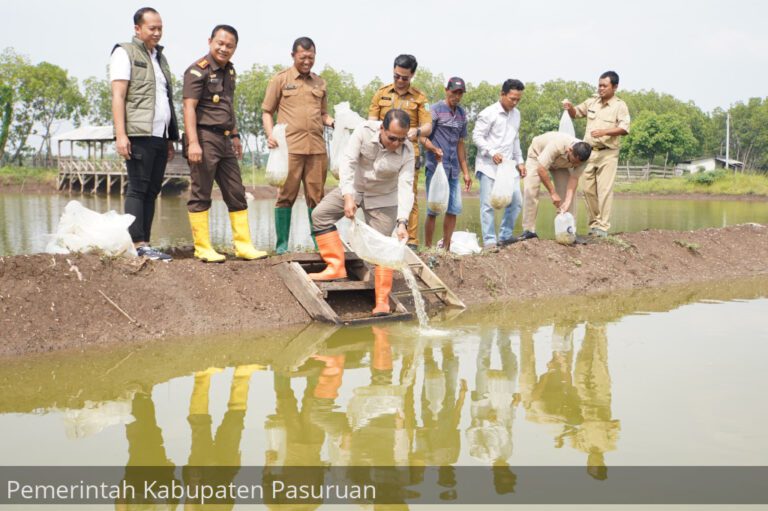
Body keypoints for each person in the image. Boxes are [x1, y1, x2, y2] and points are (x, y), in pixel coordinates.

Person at [309, 109, 414, 317]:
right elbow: (347, 164)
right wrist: (348, 196)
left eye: (401, 140)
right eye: (392, 138)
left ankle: (382, 301)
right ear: (382, 128)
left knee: (382, 245)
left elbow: (406, 186)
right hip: (354, 188)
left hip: (384, 198)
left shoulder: (408, 152)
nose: (396, 144)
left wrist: (402, 222)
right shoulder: (363, 131)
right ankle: (335, 266)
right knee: (320, 215)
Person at [182, 25, 267, 262]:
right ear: (210, 41)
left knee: (236, 191)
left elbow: (228, 104)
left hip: (225, 138)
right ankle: (202, 247)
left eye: (229, 45)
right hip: (204, 137)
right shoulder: (197, 71)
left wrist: (236, 135)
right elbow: (189, 108)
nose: (224, 48)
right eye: (220, 43)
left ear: (235, 48)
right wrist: (193, 143)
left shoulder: (230, 72)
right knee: (201, 192)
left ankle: (244, 246)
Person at [110, 7, 179, 261]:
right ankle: (137, 244)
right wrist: (121, 134)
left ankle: (145, 244)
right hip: (138, 133)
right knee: (137, 188)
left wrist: (170, 137)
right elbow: (118, 95)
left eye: (160, 27)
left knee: (152, 191)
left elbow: (165, 99)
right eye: (152, 28)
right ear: (137, 29)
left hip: (159, 135)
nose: (157, 32)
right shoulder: (124, 52)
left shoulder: (160, 58)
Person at [262, 37, 334, 254]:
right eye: (303, 57)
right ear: (293, 55)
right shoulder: (281, 79)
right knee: (285, 195)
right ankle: (282, 245)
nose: (307, 61)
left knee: (317, 197)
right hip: (289, 149)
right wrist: (269, 134)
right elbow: (267, 111)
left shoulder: (320, 82)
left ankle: (318, 244)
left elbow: (322, 114)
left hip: (316, 150)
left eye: (311, 57)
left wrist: (334, 122)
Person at [368, 54, 432, 250]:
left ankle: (410, 241)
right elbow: (370, 122)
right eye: (397, 76)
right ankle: (380, 237)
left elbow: (428, 126)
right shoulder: (381, 94)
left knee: (409, 196)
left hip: (408, 153)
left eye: (405, 78)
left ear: (412, 75)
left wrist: (417, 131)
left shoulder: (419, 98)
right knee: (376, 194)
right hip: (382, 153)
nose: (400, 81)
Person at [562, 71, 630, 237]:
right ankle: (594, 224)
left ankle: (603, 227)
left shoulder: (620, 106)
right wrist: (569, 107)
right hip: (589, 153)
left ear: (614, 87)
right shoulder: (592, 102)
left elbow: (625, 128)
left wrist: (605, 132)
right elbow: (576, 113)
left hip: (608, 153)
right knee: (588, 190)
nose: (601, 88)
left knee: (604, 190)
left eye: (604, 86)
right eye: (599, 85)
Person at [472, 79, 526, 250]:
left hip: (508, 166)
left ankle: (505, 235)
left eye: (518, 99)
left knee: (516, 200)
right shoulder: (488, 113)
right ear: (502, 94)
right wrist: (491, 152)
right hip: (488, 165)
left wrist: (520, 161)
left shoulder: (516, 114)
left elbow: (515, 139)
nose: (515, 102)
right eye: (512, 98)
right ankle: (489, 241)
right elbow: (477, 136)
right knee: (488, 204)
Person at [420, 77, 472, 252]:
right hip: (436, 169)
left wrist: (465, 172)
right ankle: (427, 248)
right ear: (446, 90)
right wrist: (434, 149)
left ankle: (446, 248)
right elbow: (422, 137)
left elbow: (460, 143)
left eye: (460, 93)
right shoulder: (434, 110)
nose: (456, 96)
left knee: (453, 208)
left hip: (453, 170)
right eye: (454, 92)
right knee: (433, 208)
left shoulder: (462, 114)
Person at [520, 132, 593, 240]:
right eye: (573, 161)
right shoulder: (558, 144)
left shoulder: (585, 158)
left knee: (569, 198)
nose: (575, 165)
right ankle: (529, 230)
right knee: (530, 190)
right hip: (537, 156)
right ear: (570, 150)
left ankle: (569, 230)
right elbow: (541, 169)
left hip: (561, 164)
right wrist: (553, 193)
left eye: (578, 163)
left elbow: (574, 178)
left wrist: (567, 201)